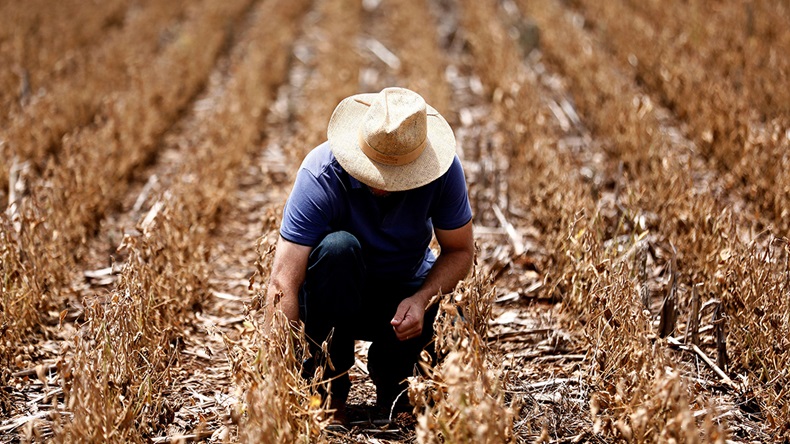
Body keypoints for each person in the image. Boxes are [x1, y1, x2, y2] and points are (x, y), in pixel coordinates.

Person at [265, 87, 474, 426]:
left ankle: (391, 375)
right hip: (331, 299)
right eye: (375, 169)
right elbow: (283, 281)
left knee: (456, 319)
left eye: (396, 174)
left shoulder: (444, 172)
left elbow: (460, 251)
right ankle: (330, 389)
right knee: (338, 248)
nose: (383, 182)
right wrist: (277, 373)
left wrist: (420, 300)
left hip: (403, 296)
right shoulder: (321, 173)